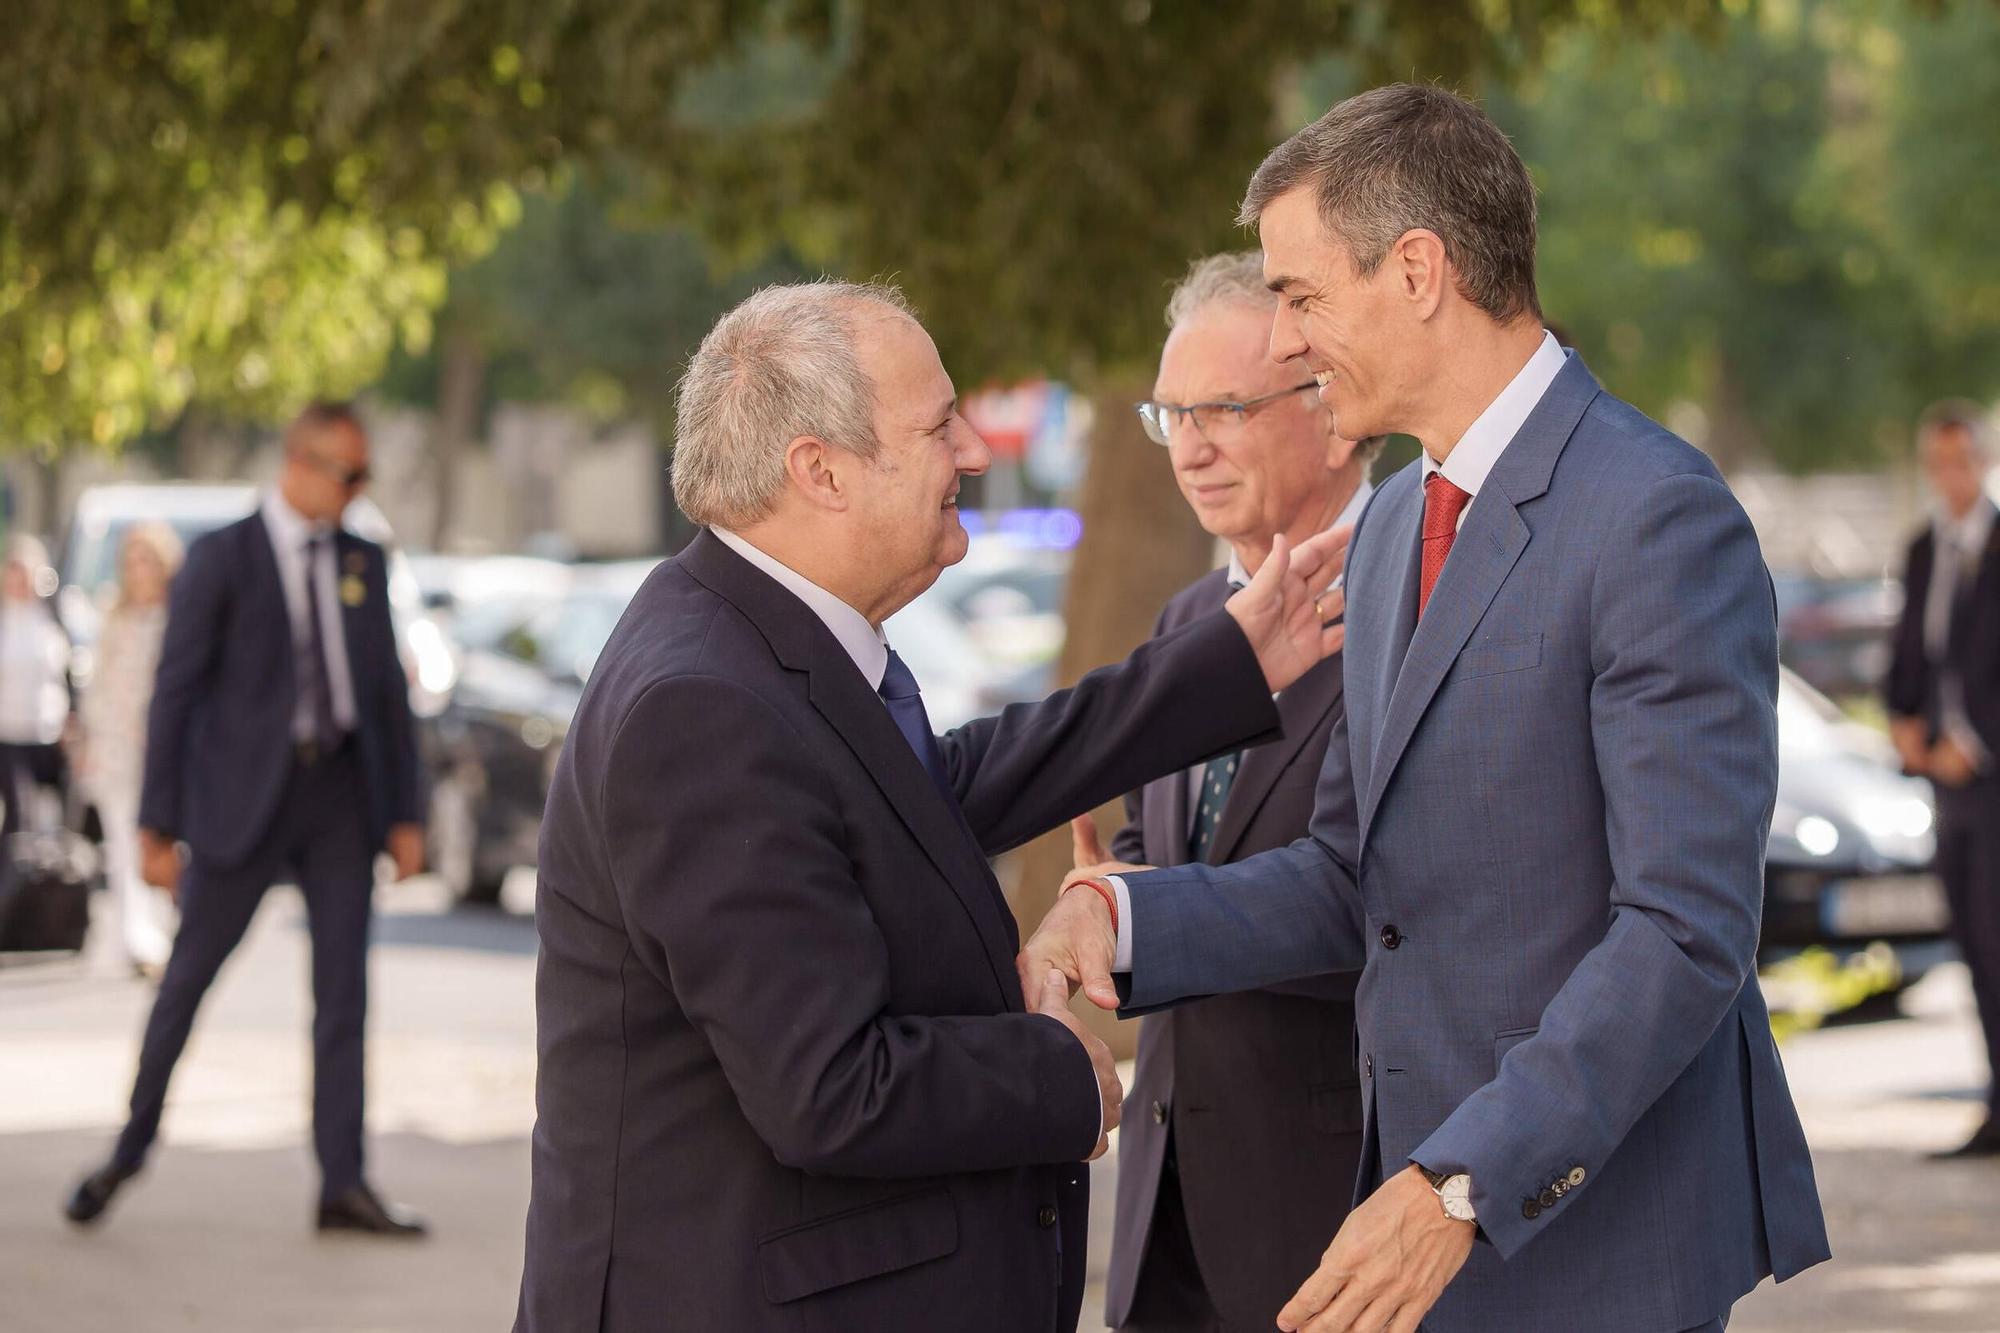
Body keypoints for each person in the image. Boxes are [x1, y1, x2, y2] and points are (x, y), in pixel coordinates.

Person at [1022, 83, 1829, 1333]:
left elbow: (1683, 931)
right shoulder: (1395, 524)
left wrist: (1457, 1185)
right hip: (1414, 1236)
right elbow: (1354, 871)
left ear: (1416, 271)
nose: (1285, 342)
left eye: (1299, 296)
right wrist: (1122, 916)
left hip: (1589, 1243)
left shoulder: (1656, 515)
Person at [512, 280, 1345, 1333]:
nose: (973, 450)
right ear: (818, 471)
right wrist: (1062, 1077)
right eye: (936, 422)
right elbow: (831, 1086)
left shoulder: (759, 639)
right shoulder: (702, 705)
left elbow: (937, 791)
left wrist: (1229, 663)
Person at [1095, 250, 1380, 1333]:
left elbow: (1382, 900)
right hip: (1163, 1222)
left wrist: (1129, 919)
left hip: (1328, 1225)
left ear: (1336, 417)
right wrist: (1114, 886)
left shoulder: (1417, 608)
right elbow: (1153, 843)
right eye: (1169, 414)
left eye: (1221, 406)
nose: (1189, 446)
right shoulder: (1182, 625)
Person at [63, 401, 429, 1237]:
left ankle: (344, 1181)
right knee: (187, 980)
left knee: (344, 994)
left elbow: (386, 696)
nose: (359, 489)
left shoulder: (364, 561)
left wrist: (405, 814)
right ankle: (127, 1148)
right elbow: (176, 696)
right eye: (349, 473)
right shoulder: (222, 559)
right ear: (298, 464)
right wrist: (157, 825)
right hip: (241, 803)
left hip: (339, 797)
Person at [1886, 401, 2000, 1158]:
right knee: (1972, 940)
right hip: (1942, 783)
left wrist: (1976, 740)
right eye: (1938, 464)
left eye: (1961, 461)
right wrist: (1900, 718)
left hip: (1991, 773)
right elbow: (1912, 649)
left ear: (1983, 460)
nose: (1949, 477)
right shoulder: (1924, 547)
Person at [77, 521, 184, 975]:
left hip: (163, 749)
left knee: (162, 843)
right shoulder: (114, 617)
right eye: (132, 561)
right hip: (116, 747)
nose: (139, 571)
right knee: (121, 843)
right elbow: (98, 686)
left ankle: (165, 931)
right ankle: (136, 938)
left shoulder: (179, 618)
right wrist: (89, 740)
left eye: (147, 560)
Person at [0, 534, 72, 841]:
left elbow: (66, 675)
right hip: (9, 731)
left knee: (52, 818)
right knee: (20, 815)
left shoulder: (52, 619)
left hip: (47, 733)